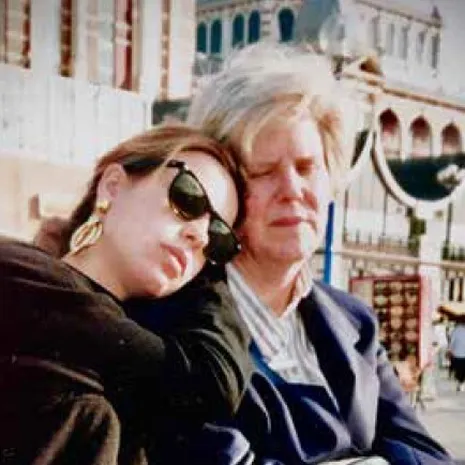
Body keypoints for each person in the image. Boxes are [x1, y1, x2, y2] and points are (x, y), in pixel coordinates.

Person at [128, 43, 454, 464]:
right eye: (263, 171)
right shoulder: (168, 325)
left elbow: (430, 455)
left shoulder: (355, 322)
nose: (291, 190)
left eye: (306, 167)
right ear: (221, 189)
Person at [0, 124, 252, 464]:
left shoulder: (121, 358)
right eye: (188, 198)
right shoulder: (20, 276)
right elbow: (207, 383)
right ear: (113, 186)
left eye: (217, 238)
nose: (199, 236)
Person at [448, 321, 465, 392]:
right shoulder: (456, 330)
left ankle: (459, 383)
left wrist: (449, 350)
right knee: (463, 370)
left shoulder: (455, 331)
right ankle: (461, 383)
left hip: (457, 354)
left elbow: (451, 342)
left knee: (458, 370)